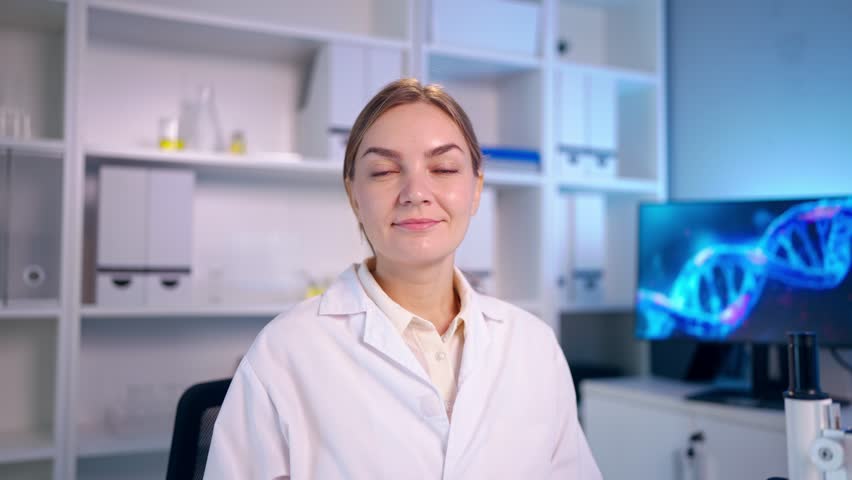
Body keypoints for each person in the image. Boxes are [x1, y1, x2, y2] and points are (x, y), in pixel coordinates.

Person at [204, 78, 602, 479]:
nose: (416, 192)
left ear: (476, 188)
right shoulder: (283, 353)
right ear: (354, 195)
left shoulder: (533, 346)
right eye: (384, 171)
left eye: (443, 168)